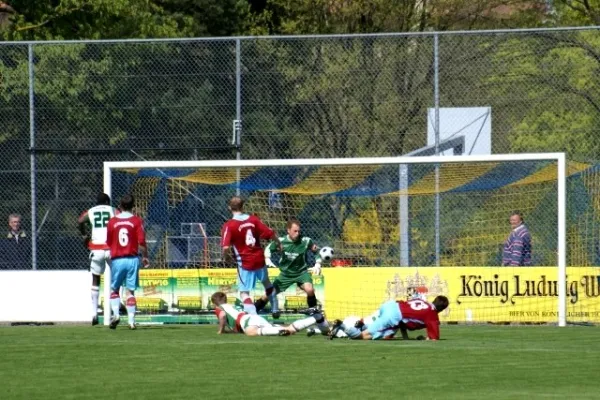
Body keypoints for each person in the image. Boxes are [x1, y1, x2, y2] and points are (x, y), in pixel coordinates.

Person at [221, 196, 281, 315]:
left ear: (229, 208)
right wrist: (278, 243)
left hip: (245, 262)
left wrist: (226, 257)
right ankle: (275, 308)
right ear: (243, 206)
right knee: (267, 284)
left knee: (244, 293)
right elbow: (270, 233)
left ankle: (253, 316)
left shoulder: (229, 225)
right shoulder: (254, 220)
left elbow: (226, 247)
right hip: (259, 258)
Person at [259, 218, 324, 319]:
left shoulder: (306, 241)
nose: (297, 233)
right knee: (268, 295)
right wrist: (267, 259)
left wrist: (318, 264)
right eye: (295, 231)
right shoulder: (281, 241)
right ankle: (253, 312)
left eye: (299, 231)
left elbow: (316, 252)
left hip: (301, 273)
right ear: (288, 230)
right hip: (285, 275)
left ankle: (314, 314)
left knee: (310, 289)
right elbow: (268, 248)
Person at [105, 194, 149, 330]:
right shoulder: (136, 221)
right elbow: (141, 241)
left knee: (114, 290)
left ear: (120, 205)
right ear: (133, 206)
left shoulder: (112, 222)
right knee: (130, 291)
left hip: (118, 259)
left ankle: (116, 315)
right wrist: (145, 256)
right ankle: (131, 322)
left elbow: (109, 241)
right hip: (132, 259)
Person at [78, 193, 119, 326]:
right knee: (116, 278)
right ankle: (116, 311)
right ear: (107, 201)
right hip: (111, 247)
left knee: (95, 279)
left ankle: (94, 313)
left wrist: (84, 235)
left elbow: (80, 221)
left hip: (96, 248)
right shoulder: (112, 209)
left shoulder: (91, 211)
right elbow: (121, 219)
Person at [328, 296, 449, 341]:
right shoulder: (432, 314)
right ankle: (342, 325)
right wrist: (425, 338)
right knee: (363, 336)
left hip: (390, 305)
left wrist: (406, 338)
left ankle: (361, 325)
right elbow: (434, 339)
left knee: (386, 333)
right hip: (394, 315)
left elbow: (404, 320)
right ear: (442, 309)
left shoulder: (422, 301)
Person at [211, 292, 329, 336]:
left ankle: (279, 331)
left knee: (250, 332)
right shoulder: (231, 306)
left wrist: (220, 331)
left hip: (248, 321)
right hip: (253, 318)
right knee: (289, 329)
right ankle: (316, 317)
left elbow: (222, 316)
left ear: (214, 303)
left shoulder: (219, 308)